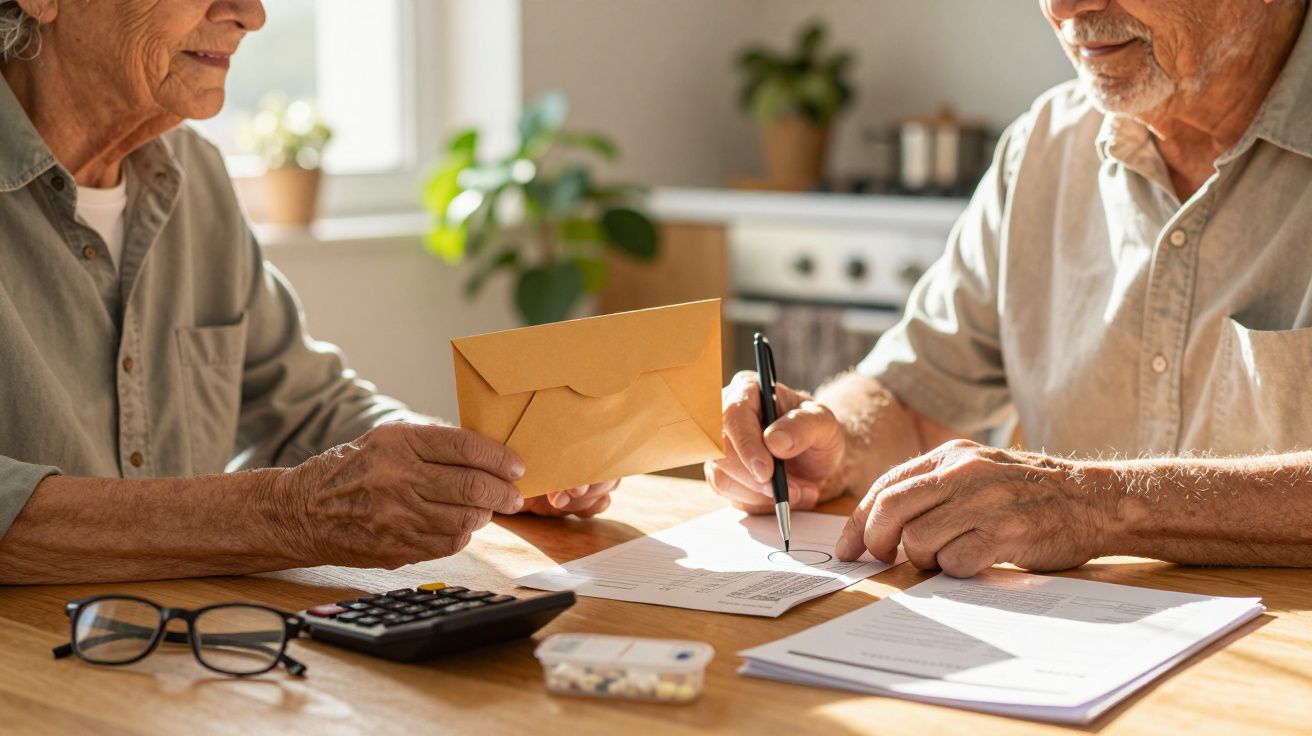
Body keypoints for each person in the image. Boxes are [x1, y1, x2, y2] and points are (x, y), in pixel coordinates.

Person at [0, 0, 616, 585]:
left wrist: (474, 469)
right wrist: (287, 514)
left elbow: (308, 408)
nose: (251, 14)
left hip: (189, 643)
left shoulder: (195, 174)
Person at [709, 0, 1312, 577]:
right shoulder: (1044, 143)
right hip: (1075, 633)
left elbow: (1084, 504)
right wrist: (830, 442)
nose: (1065, 7)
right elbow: (916, 397)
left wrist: (1095, 504)